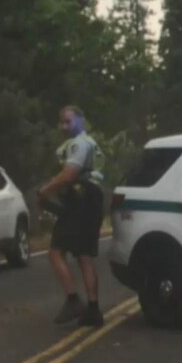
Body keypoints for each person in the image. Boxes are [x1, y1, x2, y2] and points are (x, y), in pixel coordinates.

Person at [37, 104, 106, 327]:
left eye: (69, 121)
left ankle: (73, 300)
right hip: (93, 198)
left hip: (81, 199)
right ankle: (93, 310)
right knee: (84, 255)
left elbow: (69, 175)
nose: (64, 126)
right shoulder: (92, 144)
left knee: (56, 251)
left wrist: (45, 190)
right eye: (62, 122)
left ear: (81, 120)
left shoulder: (79, 144)